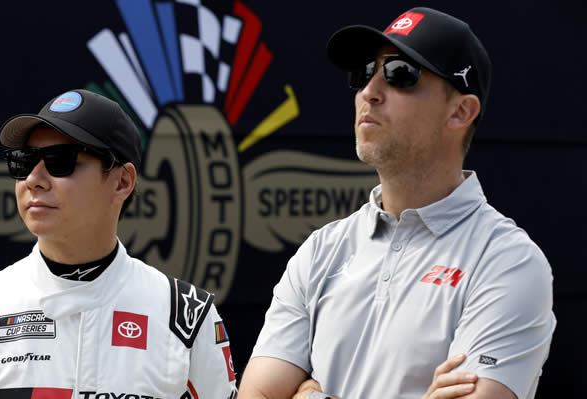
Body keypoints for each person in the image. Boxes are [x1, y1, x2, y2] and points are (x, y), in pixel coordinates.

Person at [238, 7, 555, 399]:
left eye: (400, 74)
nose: (369, 91)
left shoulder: (508, 261)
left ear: (460, 111)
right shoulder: (321, 249)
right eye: (364, 72)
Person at [0, 89, 238, 399]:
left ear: (122, 181)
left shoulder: (185, 316)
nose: (34, 179)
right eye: (24, 161)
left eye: (60, 160)